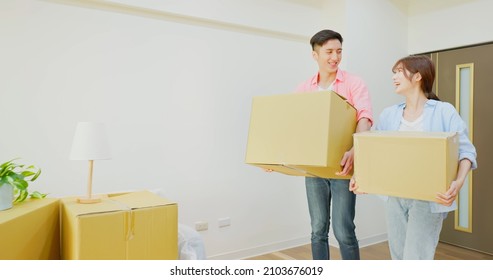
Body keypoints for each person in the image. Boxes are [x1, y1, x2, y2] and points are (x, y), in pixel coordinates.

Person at [350, 55, 477, 260]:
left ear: (418, 76)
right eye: (394, 72)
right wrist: (360, 177)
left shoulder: (444, 111)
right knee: (399, 257)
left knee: (415, 259)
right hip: (394, 197)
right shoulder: (389, 115)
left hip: (428, 198)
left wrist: (458, 182)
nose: (394, 77)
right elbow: (373, 152)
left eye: (399, 71)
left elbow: (466, 152)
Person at [296, 29, 373, 260]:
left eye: (339, 51)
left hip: (344, 166)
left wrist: (355, 150)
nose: (335, 57)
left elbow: (364, 117)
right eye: (329, 52)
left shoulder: (354, 83)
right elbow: (292, 124)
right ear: (315, 55)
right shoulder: (304, 89)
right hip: (314, 169)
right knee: (318, 229)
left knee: (343, 230)